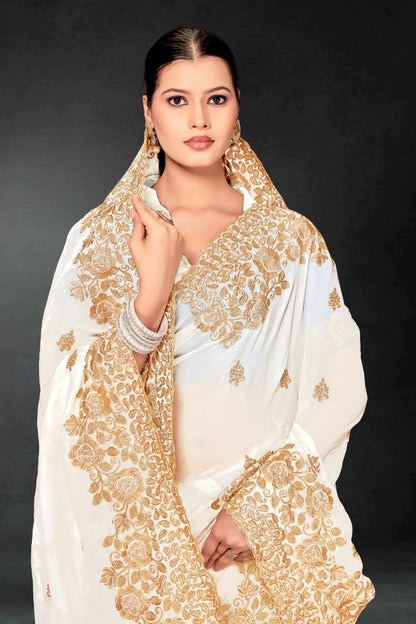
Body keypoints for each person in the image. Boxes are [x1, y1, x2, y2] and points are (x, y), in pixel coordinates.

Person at [31, 25, 375, 623]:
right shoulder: (99, 240)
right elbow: (67, 398)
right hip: (143, 535)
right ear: (148, 111)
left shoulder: (291, 240)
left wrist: (258, 510)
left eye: (216, 98)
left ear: (237, 105)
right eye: (177, 99)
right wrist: (152, 294)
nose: (198, 119)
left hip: (248, 531)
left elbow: (339, 391)